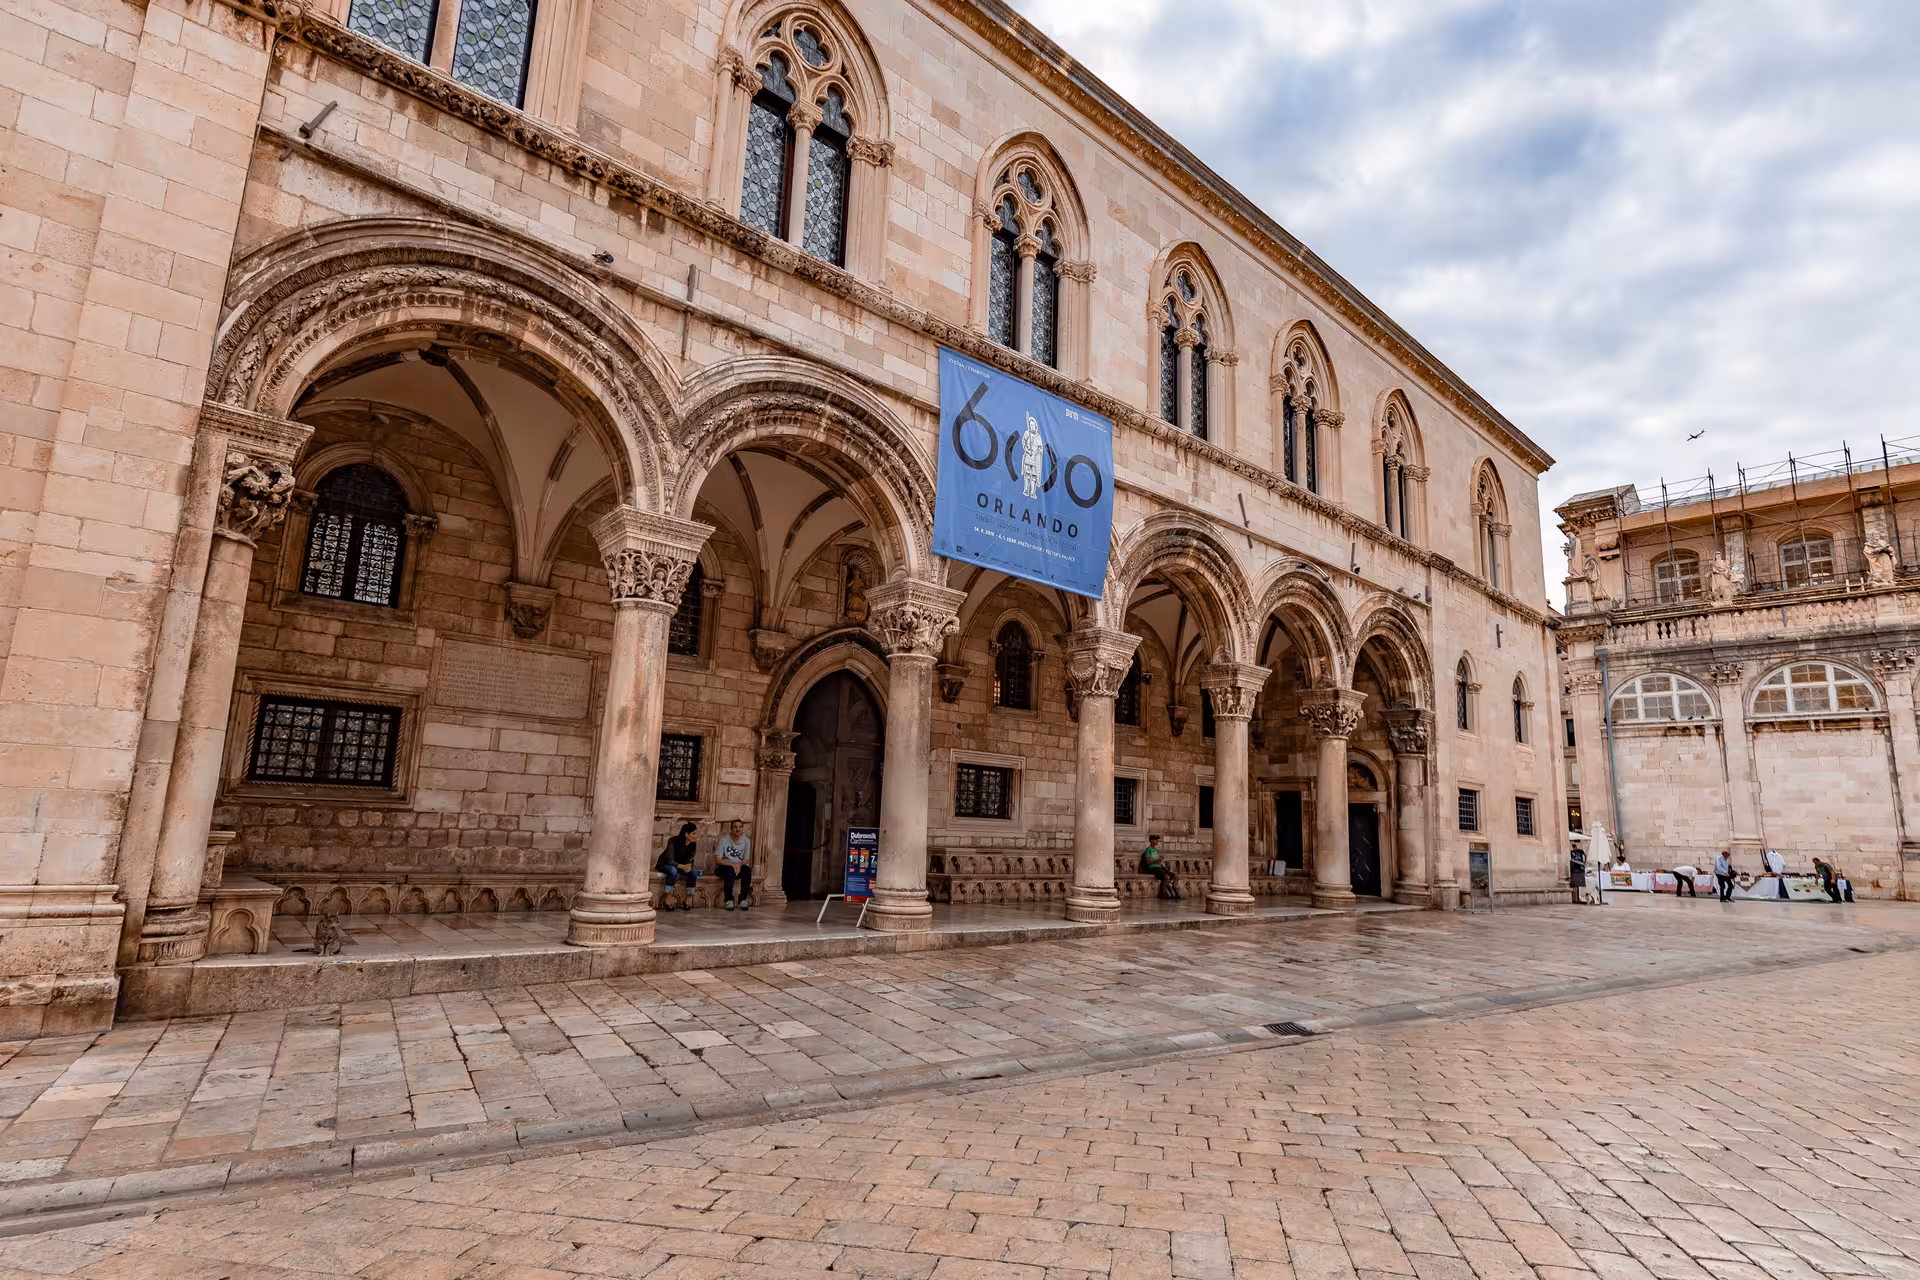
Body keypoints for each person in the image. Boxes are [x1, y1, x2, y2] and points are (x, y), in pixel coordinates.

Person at [658, 822, 700, 910]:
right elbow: (669, 859)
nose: (696, 836)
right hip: (666, 864)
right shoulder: (673, 841)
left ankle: (687, 900)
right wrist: (682, 866)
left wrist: (689, 866)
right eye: (694, 833)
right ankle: (667, 899)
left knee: (693, 872)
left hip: (681, 866)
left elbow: (691, 859)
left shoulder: (693, 844)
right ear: (686, 834)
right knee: (673, 871)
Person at [716, 819, 752, 911]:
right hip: (724, 867)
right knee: (730, 870)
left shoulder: (746, 841)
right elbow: (718, 860)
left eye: (740, 827)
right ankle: (728, 899)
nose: (738, 829)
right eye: (735, 827)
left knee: (747, 870)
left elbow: (746, 859)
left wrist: (739, 864)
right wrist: (732, 864)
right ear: (731, 829)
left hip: (738, 867)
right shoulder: (724, 839)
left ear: (742, 828)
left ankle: (743, 899)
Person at [1140, 834, 1179, 899]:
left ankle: (1173, 890)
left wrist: (1161, 863)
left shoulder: (1156, 850)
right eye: (1156, 840)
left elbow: (1157, 861)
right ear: (1152, 841)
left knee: (1176, 876)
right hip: (1152, 868)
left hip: (1159, 868)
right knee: (1166, 877)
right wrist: (1156, 860)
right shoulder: (1148, 850)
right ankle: (1163, 893)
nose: (1157, 841)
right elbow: (1147, 862)